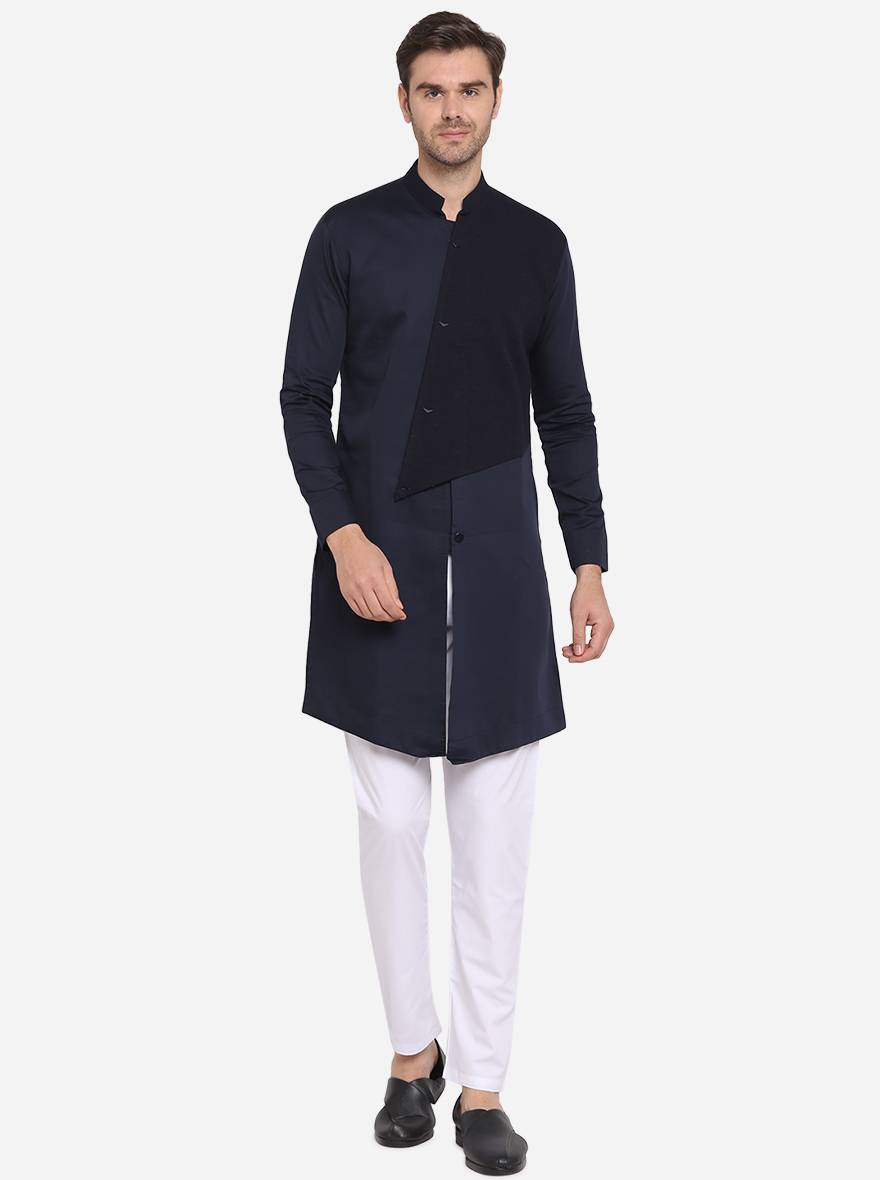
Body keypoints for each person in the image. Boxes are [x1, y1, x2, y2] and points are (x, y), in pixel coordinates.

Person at [278, 12, 614, 1174]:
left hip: (504, 583)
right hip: (378, 573)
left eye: (470, 88)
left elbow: (564, 410)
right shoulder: (348, 234)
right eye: (433, 90)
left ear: (497, 98)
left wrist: (588, 561)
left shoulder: (537, 245)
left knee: (493, 850)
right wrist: (343, 536)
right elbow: (300, 398)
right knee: (389, 835)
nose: (453, 107)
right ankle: (408, 1053)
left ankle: (481, 1086)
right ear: (404, 101)